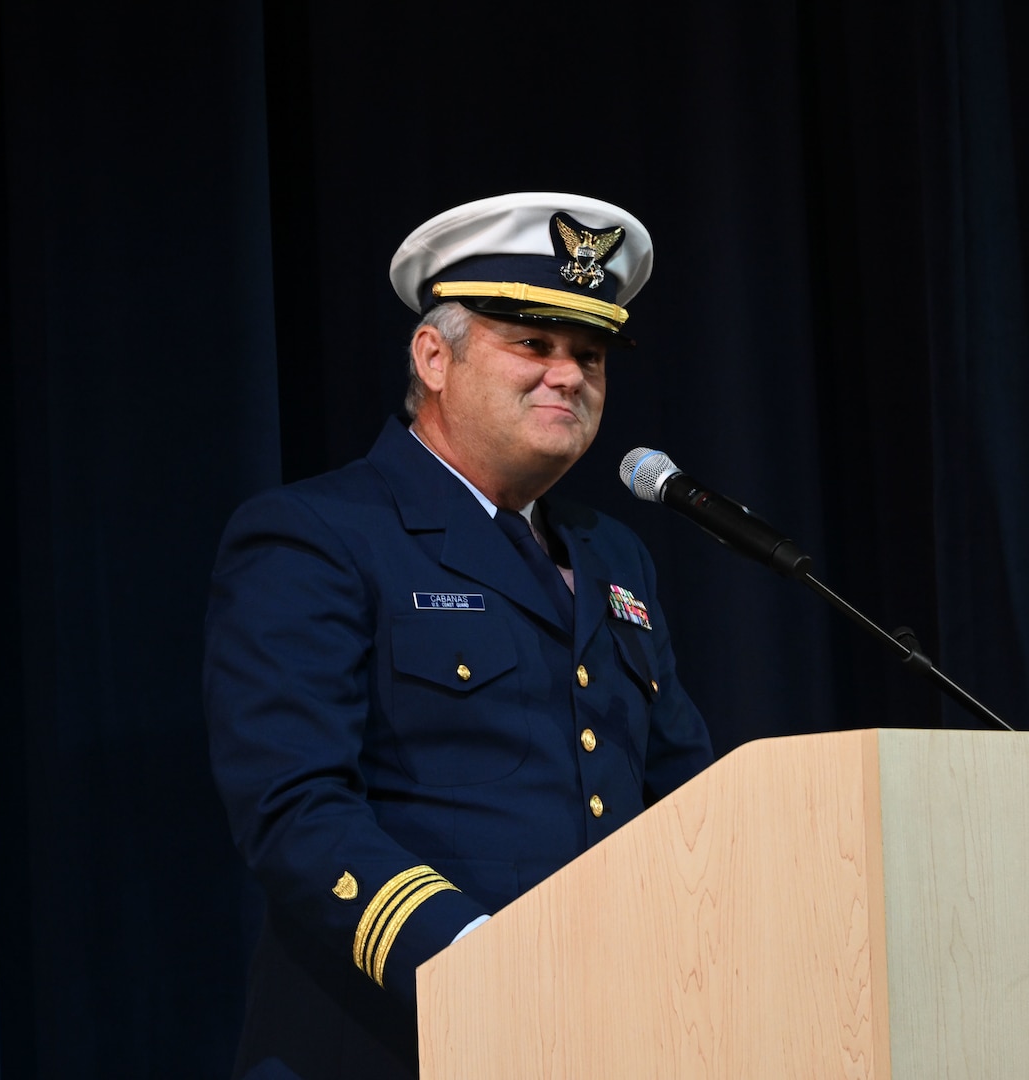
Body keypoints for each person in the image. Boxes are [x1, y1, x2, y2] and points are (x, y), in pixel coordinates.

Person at [203, 192, 715, 1079]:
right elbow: (295, 807)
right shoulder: (318, 533)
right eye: (533, 345)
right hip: (396, 1039)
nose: (569, 376)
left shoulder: (613, 551)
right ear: (433, 356)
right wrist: (480, 963)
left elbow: (683, 799)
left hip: (612, 1033)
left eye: (589, 355)